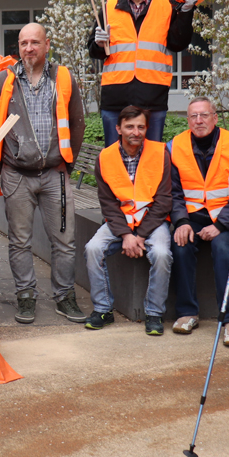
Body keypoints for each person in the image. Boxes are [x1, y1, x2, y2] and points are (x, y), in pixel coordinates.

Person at [0, 23, 87, 325]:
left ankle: (65, 297)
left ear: (47, 44)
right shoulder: (4, 80)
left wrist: (69, 162)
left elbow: (78, 122)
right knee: (19, 241)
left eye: (35, 42)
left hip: (56, 174)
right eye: (24, 43)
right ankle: (26, 296)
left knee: (65, 241)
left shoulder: (64, 78)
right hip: (16, 174)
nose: (29, 48)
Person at [88, 0, 197, 146]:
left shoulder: (166, 7)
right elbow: (93, 52)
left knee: (152, 159)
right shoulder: (108, 8)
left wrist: (187, 12)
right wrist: (98, 43)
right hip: (115, 97)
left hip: (152, 97)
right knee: (114, 160)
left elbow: (178, 44)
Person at [83, 105, 173, 334]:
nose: (136, 131)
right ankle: (103, 309)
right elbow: (108, 202)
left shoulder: (160, 152)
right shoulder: (105, 157)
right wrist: (125, 235)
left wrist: (140, 236)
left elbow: (163, 200)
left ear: (147, 129)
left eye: (141, 127)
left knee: (162, 254)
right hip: (119, 223)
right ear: (118, 128)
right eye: (130, 126)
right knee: (93, 248)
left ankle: (154, 314)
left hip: (152, 222)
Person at [168, 96, 229, 346]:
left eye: (204, 115)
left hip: (225, 218)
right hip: (191, 217)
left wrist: (221, 225)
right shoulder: (173, 147)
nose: (199, 120)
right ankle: (187, 313)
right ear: (188, 119)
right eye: (193, 116)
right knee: (180, 247)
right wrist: (180, 222)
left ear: (215, 117)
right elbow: (173, 192)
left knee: (223, 249)